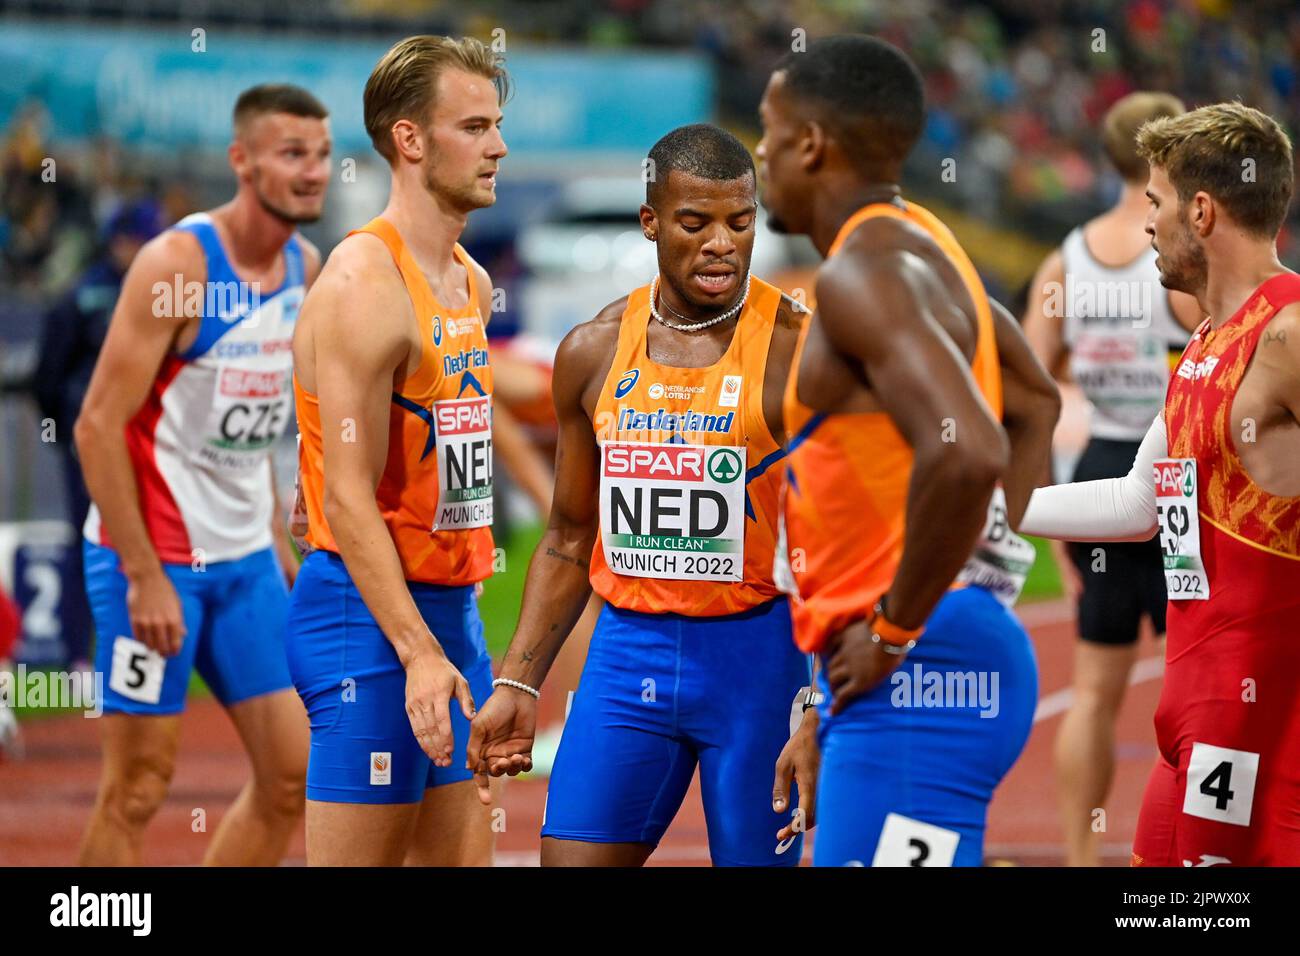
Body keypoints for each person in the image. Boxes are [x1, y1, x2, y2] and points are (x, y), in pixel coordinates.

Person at [468, 123, 818, 866]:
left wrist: (823, 705)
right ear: (652, 222)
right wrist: (518, 682)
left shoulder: (799, 351)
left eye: (740, 221)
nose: (721, 242)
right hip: (628, 659)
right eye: (695, 223)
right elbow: (567, 537)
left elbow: (846, 543)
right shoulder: (593, 352)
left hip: (760, 664)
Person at [758, 34, 1057, 866]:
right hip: (932, 652)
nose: (760, 153)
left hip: (916, 671)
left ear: (810, 143)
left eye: (768, 131)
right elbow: (1035, 401)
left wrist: (896, 628)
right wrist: (985, 570)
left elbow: (967, 449)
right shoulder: (926, 250)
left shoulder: (867, 276)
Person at [1021, 101, 1300, 866]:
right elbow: (1138, 503)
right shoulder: (1207, 339)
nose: (1147, 223)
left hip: (1258, 725)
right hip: (1190, 714)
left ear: (1201, 212)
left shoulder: (1290, 332)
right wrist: (983, 506)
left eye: (1156, 201)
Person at [73, 84, 330, 865]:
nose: (314, 171)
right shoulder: (177, 265)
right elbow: (94, 425)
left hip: (245, 562)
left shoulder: (304, 265)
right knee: (140, 787)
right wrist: (144, 573)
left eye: (321, 154)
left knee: (291, 777)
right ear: (241, 160)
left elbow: (273, 415)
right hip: (150, 559)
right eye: (293, 153)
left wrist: (281, 527)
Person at [287, 35, 507, 867]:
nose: (499, 146)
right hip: (368, 626)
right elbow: (345, 496)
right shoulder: (362, 284)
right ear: (410, 140)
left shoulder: (468, 281)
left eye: (497, 125)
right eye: (476, 126)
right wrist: (417, 653)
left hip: (449, 611)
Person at [1023, 91, 1203, 866]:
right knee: (1194, 687)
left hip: (1100, 470)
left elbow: (1029, 383)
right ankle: (1192, 857)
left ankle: (1077, 855)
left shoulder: (1068, 257)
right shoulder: (1185, 252)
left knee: (1094, 690)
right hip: (1179, 479)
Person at [34, 198, 166, 671]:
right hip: (95, 441)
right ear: (124, 240)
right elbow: (48, 377)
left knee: (143, 539)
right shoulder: (83, 295)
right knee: (88, 539)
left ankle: (136, 652)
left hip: (145, 438)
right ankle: (78, 658)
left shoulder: (159, 291)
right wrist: (74, 433)